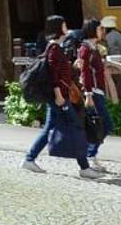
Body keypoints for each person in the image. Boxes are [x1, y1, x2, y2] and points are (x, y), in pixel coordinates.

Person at [22, 15, 102, 179]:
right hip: (59, 97)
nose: (66, 27)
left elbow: (60, 71)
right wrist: (59, 95)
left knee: (49, 129)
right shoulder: (54, 48)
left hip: (58, 97)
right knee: (76, 126)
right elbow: (53, 75)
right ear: (58, 27)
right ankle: (84, 167)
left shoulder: (56, 47)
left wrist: (73, 67)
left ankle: (29, 159)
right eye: (64, 25)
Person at [74, 18, 112, 173]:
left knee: (99, 125)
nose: (103, 31)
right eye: (100, 28)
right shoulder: (86, 49)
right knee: (103, 124)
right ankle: (90, 154)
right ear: (92, 30)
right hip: (93, 92)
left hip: (98, 91)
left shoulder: (94, 47)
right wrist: (88, 94)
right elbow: (85, 73)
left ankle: (90, 154)